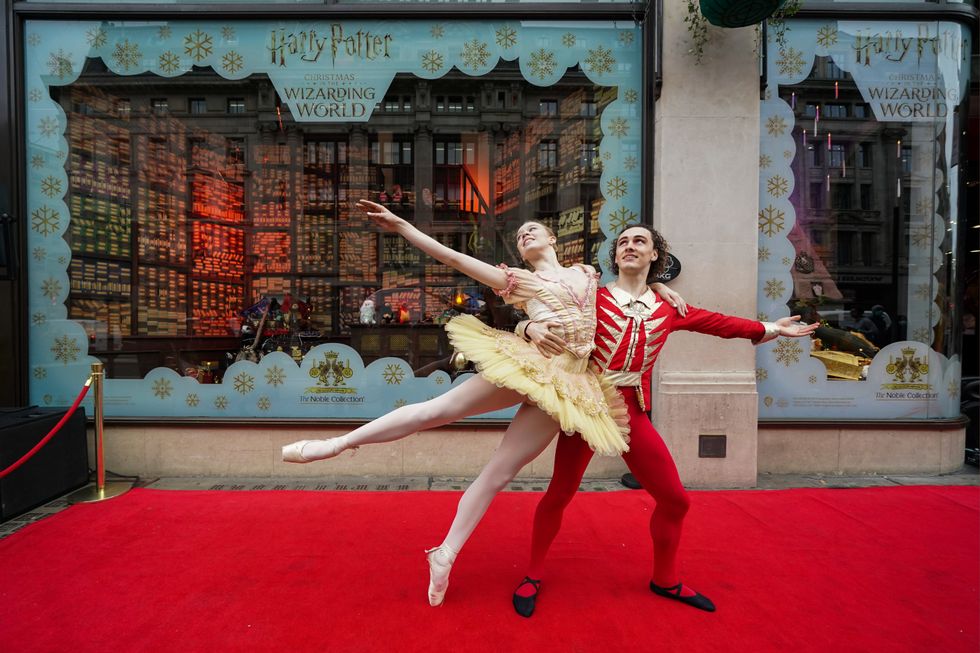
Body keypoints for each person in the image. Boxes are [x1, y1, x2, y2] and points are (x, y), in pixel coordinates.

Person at [281, 200, 684, 607]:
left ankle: (446, 554)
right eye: (519, 236)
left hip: (570, 385)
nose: (525, 235)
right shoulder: (517, 280)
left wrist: (661, 287)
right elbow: (454, 258)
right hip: (530, 366)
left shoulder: (586, 274)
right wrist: (404, 227)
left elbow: (627, 292)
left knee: (499, 472)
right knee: (436, 411)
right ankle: (335, 444)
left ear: (553, 240)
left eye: (532, 230)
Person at [511, 224, 818, 617]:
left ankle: (666, 579)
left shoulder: (667, 307)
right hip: (587, 407)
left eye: (639, 241)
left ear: (655, 255)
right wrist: (527, 326)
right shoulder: (593, 297)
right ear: (615, 256)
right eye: (622, 242)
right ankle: (533, 574)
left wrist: (771, 328)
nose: (629, 246)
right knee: (559, 494)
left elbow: (717, 323)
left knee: (675, 500)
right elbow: (543, 303)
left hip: (631, 412)